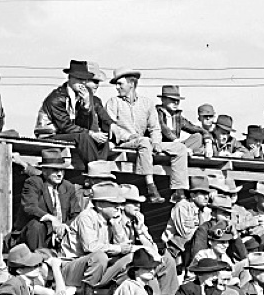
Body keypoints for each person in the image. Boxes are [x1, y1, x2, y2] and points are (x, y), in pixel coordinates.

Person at [104, 67, 190, 203]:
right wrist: (129, 136)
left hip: (146, 142)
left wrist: (156, 142)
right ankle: (151, 187)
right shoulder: (113, 103)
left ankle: (178, 191)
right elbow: (110, 125)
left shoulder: (146, 103)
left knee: (180, 148)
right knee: (144, 141)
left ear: (131, 83)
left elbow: (155, 127)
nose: (117, 87)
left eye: (120, 84)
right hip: (125, 143)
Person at [38, 60, 114, 171]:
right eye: (79, 79)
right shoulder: (56, 98)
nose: (82, 83)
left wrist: (86, 105)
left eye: (85, 79)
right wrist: (91, 134)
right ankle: (95, 171)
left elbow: (82, 125)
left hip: (70, 133)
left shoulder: (80, 96)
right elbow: (65, 126)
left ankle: (99, 169)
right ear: (70, 78)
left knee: (102, 138)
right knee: (84, 136)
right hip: (50, 134)